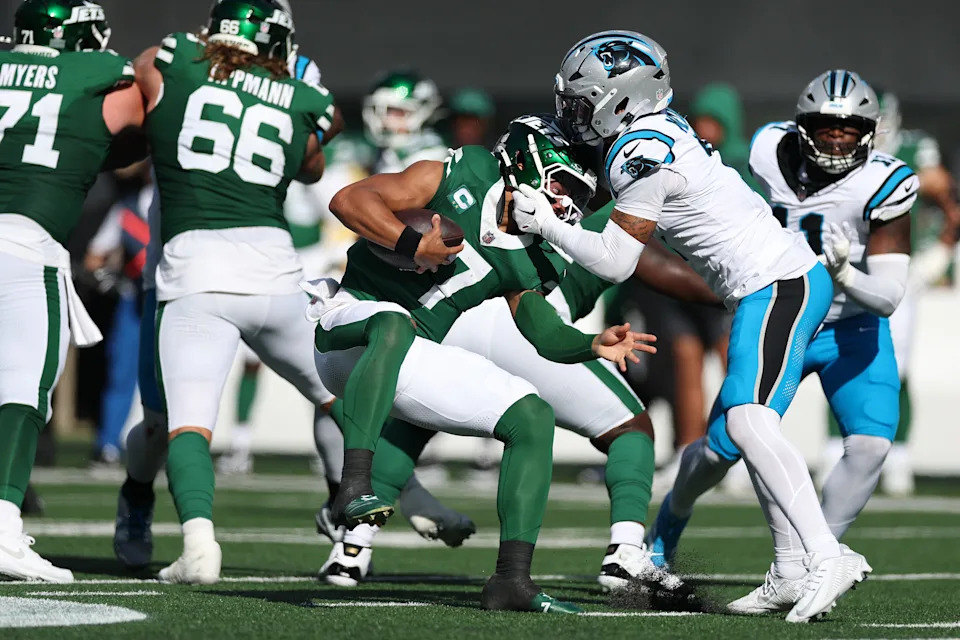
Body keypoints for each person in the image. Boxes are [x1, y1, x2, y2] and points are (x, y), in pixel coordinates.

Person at [521, 31, 867, 622]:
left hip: (777, 283)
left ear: (620, 98)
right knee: (745, 428)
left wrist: (544, 222)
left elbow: (613, 260)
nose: (573, 114)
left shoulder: (639, 152)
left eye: (583, 102)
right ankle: (789, 569)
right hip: (772, 284)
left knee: (748, 421)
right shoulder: (654, 130)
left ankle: (826, 554)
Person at [325, 115, 718, 592]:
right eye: (564, 185)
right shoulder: (470, 173)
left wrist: (589, 344)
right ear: (528, 163)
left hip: (459, 326)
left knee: (416, 417)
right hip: (443, 322)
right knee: (630, 426)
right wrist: (736, 292)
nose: (569, 204)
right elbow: (351, 200)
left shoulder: (538, 249)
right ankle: (626, 554)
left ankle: (352, 547)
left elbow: (542, 326)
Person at [652, 70, 918, 615]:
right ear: (802, 127)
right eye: (825, 128)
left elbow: (889, 296)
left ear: (870, 133)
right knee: (721, 449)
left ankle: (806, 564)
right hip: (783, 313)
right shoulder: (769, 150)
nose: (836, 140)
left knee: (870, 446)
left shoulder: (885, 183)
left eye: (849, 130)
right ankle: (668, 524)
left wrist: (846, 277)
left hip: (852, 324)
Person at [126, 0, 342, 585]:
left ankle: (199, 543)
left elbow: (141, 77)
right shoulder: (300, 94)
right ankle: (356, 528)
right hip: (274, 275)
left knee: (186, 424)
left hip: (192, 272)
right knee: (340, 398)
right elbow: (316, 160)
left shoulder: (174, 60)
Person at [0, 0, 144, 582]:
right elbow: (147, 109)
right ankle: (3, 527)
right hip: (26, 247)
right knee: (24, 390)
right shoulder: (98, 72)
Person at [818, 91, 960, 496]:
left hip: (894, 269)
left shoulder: (914, 149)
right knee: (838, 359)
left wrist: (942, 251)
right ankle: (835, 448)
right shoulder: (839, 152)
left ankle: (897, 454)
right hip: (846, 268)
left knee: (896, 367)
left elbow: (948, 199)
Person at [363, 69, 449, 173]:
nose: (386, 120)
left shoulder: (430, 158)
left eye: (398, 112)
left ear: (424, 113)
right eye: (384, 112)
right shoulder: (390, 154)